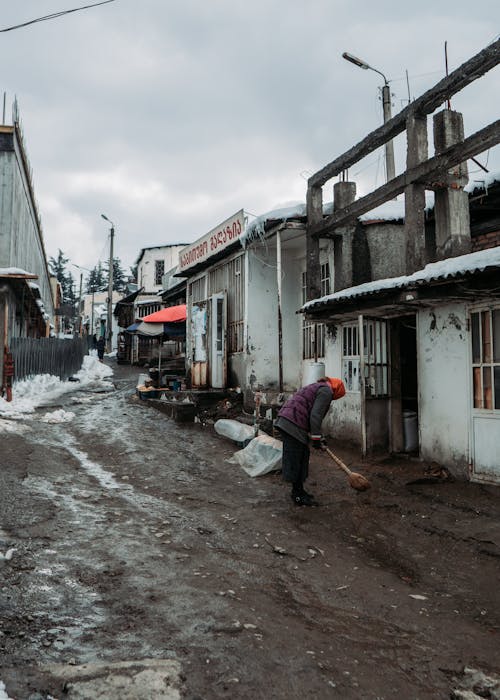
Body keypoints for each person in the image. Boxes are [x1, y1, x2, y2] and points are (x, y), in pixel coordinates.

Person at [275, 377, 346, 506]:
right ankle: (297, 495)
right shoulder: (326, 391)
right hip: (292, 423)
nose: (332, 399)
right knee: (296, 458)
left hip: (289, 420)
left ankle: (299, 491)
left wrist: (319, 438)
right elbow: (315, 416)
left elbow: (312, 416)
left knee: (302, 456)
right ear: (336, 391)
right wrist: (316, 439)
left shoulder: (318, 387)